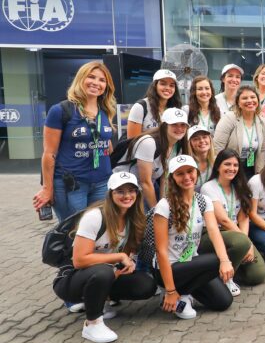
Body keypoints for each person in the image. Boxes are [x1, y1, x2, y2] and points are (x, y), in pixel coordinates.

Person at [52, 172, 156, 343]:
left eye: (131, 190)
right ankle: (92, 323)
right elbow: (79, 260)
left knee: (145, 285)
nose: (127, 195)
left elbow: (127, 254)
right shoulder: (95, 216)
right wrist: (119, 257)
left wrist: (127, 263)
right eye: (120, 191)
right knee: (103, 273)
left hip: (104, 273)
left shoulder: (134, 218)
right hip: (70, 280)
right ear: (110, 193)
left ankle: (99, 300)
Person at [154, 156, 236, 322]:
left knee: (223, 301)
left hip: (191, 263)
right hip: (169, 268)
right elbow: (161, 251)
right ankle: (176, 294)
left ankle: (185, 291)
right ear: (173, 178)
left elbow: (214, 231)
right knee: (214, 261)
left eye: (190, 171)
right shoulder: (164, 205)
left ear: (197, 173)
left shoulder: (203, 200)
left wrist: (225, 260)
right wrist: (170, 290)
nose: (186, 177)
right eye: (180, 173)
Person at [34, 61, 117, 222]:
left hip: (102, 182)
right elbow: (49, 153)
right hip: (71, 185)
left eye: (102, 80)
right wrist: (47, 188)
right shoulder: (60, 110)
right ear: (80, 79)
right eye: (91, 77)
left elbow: (106, 146)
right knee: (73, 233)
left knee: (98, 229)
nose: (96, 83)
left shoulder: (106, 111)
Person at [201, 149, 265, 292]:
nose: (232, 168)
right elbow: (223, 220)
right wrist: (246, 243)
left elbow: (243, 218)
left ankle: (231, 270)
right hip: (213, 233)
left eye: (235, 165)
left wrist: (246, 243)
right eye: (227, 164)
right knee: (241, 243)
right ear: (218, 166)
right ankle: (225, 278)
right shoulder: (208, 187)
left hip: (236, 233)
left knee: (258, 275)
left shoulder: (240, 186)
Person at [113, 108, 190, 207]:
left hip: (146, 185)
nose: (179, 128)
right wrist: (156, 210)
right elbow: (145, 182)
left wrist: (163, 206)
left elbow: (164, 178)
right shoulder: (149, 142)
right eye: (174, 124)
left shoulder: (177, 146)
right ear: (164, 126)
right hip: (124, 187)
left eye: (183, 125)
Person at [213, 86, 265, 177]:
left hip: (250, 167)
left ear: (258, 101)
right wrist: (221, 171)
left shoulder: (263, 122)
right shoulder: (229, 118)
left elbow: (262, 150)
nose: (249, 100)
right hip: (230, 168)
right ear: (238, 103)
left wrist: (259, 174)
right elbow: (218, 147)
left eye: (253, 97)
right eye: (244, 98)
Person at [127, 69, 181, 138]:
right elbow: (132, 141)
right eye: (163, 84)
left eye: (171, 85)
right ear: (155, 85)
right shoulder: (140, 107)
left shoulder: (175, 109)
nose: (168, 88)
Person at [186, 125, 215, 189]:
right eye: (196, 139)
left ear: (210, 139)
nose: (201, 141)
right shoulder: (186, 164)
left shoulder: (217, 161)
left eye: (204, 137)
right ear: (190, 144)